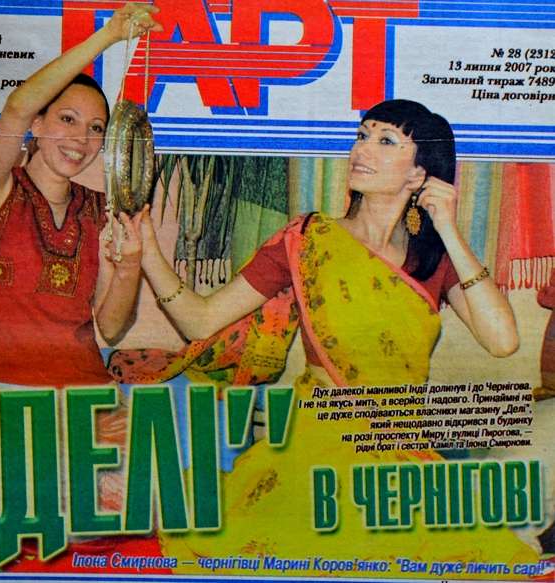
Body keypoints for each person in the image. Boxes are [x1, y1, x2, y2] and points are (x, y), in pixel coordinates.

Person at [114, 99, 535, 571]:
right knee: (320, 547)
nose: (362, 149)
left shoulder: (432, 260)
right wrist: (148, 252)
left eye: (386, 141)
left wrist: (449, 231)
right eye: (362, 134)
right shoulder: (307, 239)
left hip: (400, 446)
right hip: (319, 437)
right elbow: (200, 320)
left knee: (464, 555)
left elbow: (503, 342)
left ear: (419, 174)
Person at [0, 4, 163, 520]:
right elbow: (17, 105)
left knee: (151, 497)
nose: (81, 140)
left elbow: (112, 328)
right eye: (67, 119)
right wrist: (111, 35)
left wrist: (130, 264)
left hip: (89, 400)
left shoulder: (100, 209)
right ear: (38, 123)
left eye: (96, 128)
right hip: (6, 400)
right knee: (42, 508)